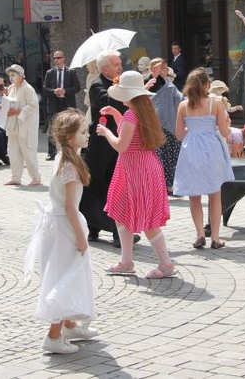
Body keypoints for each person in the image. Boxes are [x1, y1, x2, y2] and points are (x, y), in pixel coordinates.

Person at [24, 109, 98, 354]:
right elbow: (68, 206)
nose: (87, 136)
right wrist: (79, 235)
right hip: (65, 225)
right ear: (69, 137)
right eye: (83, 132)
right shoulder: (70, 166)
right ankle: (53, 336)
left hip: (58, 223)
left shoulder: (63, 157)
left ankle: (69, 325)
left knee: (65, 271)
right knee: (65, 276)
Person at [97, 71, 175, 278]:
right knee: (123, 213)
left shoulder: (132, 113)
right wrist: (116, 114)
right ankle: (127, 261)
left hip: (135, 169)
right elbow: (132, 134)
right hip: (143, 166)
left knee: (145, 219)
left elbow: (122, 145)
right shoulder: (142, 110)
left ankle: (164, 264)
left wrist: (106, 132)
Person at [174, 67, 234, 249]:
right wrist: (228, 126)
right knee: (215, 194)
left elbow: (178, 134)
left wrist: (192, 129)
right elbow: (224, 132)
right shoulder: (215, 103)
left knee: (194, 195)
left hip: (191, 148)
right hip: (211, 148)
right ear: (207, 84)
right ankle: (215, 237)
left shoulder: (183, 106)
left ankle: (200, 234)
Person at [80, 50, 129, 247]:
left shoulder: (118, 84)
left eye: (120, 63)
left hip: (117, 142)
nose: (120, 67)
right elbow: (105, 105)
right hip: (100, 145)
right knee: (96, 185)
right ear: (105, 69)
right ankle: (96, 228)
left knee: (113, 186)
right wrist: (119, 88)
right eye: (116, 64)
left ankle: (117, 231)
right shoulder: (97, 85)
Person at [145, 57, 184, 193]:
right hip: (154, 125)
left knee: (172, 154)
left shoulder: (169, 84)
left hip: (170, 124)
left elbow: (180, 99)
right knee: (158, 155)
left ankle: (170, 184)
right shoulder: (147, 82)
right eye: (160, 68)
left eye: (165, 68)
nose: (163, 70)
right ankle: (159, 184)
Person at [4, 64, 41, 186]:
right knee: (13, 152)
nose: (11, 77)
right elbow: (10, 103)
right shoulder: (11, 88)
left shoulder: (28, 88)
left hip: (26, 125)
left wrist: (19, 111)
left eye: (13, 75)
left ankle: (36, 178)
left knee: (28, 152)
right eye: (10, 75)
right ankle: (16, 177)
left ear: (21, 76)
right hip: (13, 125)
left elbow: (33, 105)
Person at [44, 50, 80, 160]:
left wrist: (65, 91)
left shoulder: (71, 72)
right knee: (53, 127)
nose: (56, 60)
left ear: (63, 58)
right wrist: (54, 91)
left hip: (67, 103)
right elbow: (45, 89)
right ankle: (52, 152)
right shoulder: (50, 73)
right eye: (54, 58)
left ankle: (70, 150)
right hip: (54, 104)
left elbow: (77, 88)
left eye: (58, 58)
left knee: (69, 126)